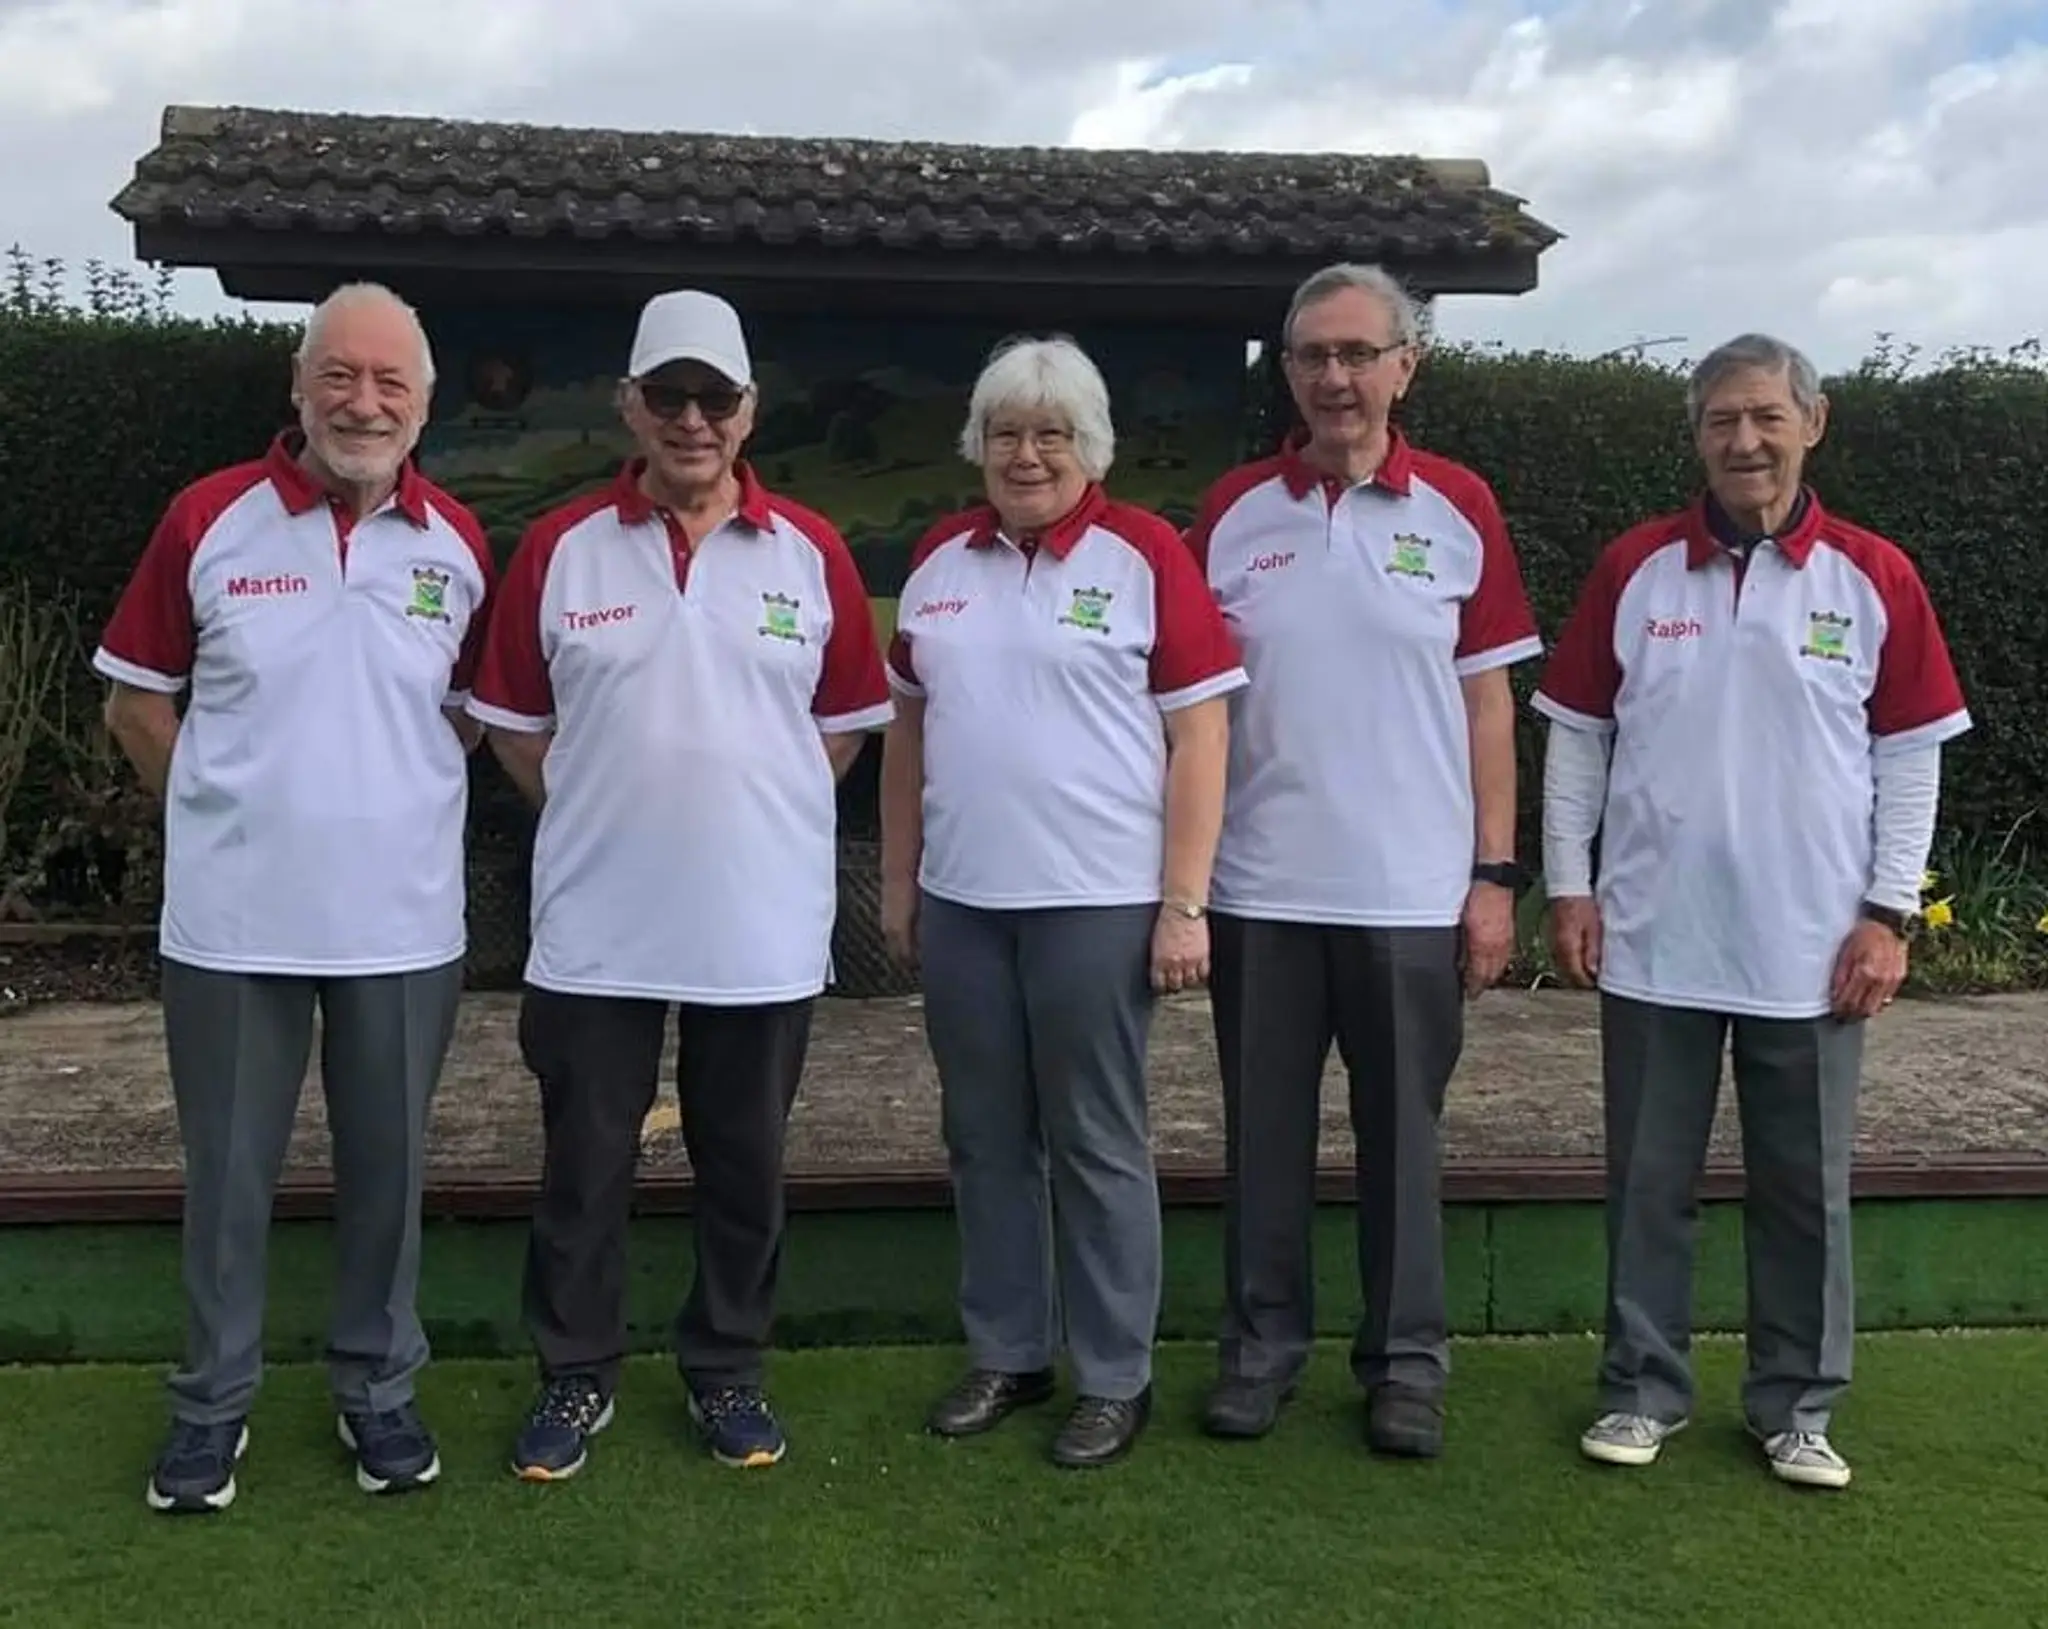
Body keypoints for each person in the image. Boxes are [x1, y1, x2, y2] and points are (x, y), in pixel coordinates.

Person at [467, 289, 892, 1483]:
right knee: (583, 1164)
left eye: (715, 398)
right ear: (629, 407)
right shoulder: (558, 548)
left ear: (749, 412)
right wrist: (615, 810)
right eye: (669, 396)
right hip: (597, 923)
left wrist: (742, 809)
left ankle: (725, 1370)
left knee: (743, 1159)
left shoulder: (809, 552)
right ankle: (574, 1375)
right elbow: (512, 726)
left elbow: (845, 726)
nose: (692, 419)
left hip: (757, 923)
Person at [1535, 333, 1971, 1491]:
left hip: (1812, 948)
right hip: (1653, 938)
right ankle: (1639, 1390)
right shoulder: (1635, 568)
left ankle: (1795, 1407)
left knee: (1803, 1196)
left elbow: (1911, 757)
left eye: (1765, 418)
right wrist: (1568, 887)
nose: (1744, 441)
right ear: (1696, 436)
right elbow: (1577, 737)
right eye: (1721, 420)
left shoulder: (1873, 577)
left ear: (1809, 425)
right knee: (1644, 1186)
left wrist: (1888, 914)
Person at [94, 282, 497, 1513]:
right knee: (227, 1178)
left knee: (388, 1172)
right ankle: (212, 1411)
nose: (362, 403)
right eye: (340, 375)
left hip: (401, 925)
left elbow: (473, 715)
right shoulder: (207, 519)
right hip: (231, 927)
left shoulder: (459, 545)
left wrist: (376, 801)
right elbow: (135, 701)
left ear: (423, 406)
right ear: (299, 385)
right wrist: (224, 817)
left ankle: (377, 1394)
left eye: (389, 383)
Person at [1183, 263, 1542, 1459]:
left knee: (1402, 1145)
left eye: (1356, 353)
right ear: (1285, 372)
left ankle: (1404, 1366)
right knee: (1262, 1140)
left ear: (1405, 363)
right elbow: (1183, 708)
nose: (1333, 378)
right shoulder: (1233, 510)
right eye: (1310, 357)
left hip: (1408, 894)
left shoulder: (1458, 505)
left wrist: (1494, 877)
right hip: (1257, 889)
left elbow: (1489, 705)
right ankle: (1260, 1352)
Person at [879, 335, 1245, 1468]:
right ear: (977, 446)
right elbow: (907, 731)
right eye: (1004, 433)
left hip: (1096, 898)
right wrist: (897, 883)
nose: (1025, 455)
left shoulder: (1143, 554)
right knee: (984, 1138)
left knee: (1093, 1140)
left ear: (1088, 447)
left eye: (1049, 434)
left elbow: (1200, 732)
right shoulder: (940, 558)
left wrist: (1183, 903)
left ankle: (1113, 1375)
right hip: (965, 901)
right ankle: (1008, 1352)